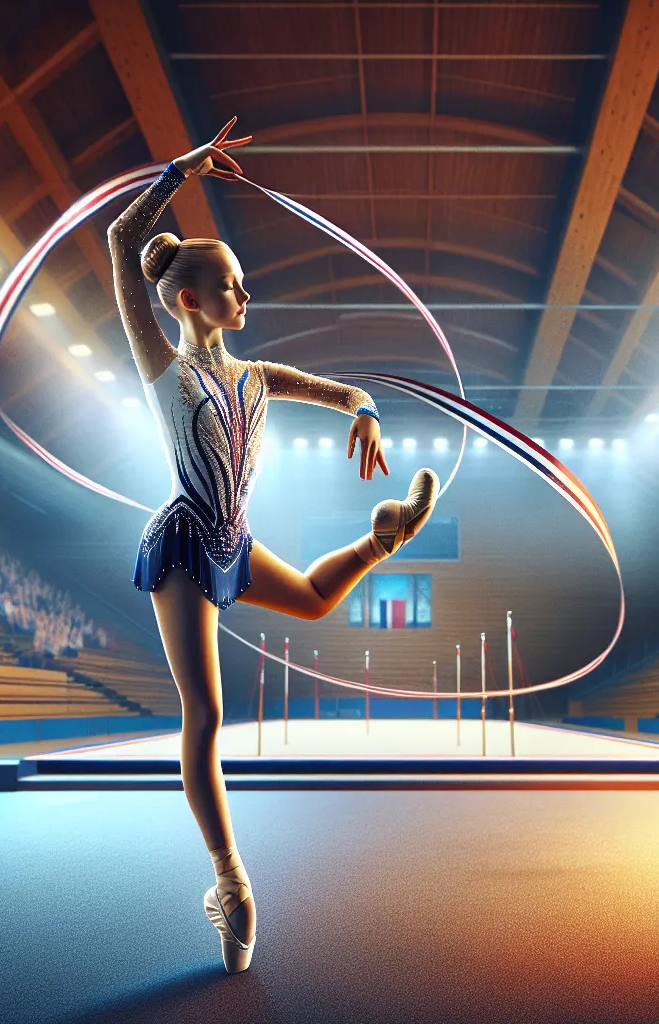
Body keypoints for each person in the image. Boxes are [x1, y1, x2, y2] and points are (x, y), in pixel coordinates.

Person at [105, 122, 442, 975]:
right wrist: (182, 170)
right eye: (231, 287)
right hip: (185, 541)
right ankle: (232, 881)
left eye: (244, 285)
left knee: (321, 598)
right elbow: (120, 241)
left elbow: (347, 385)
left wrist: (364, 410)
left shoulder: (256, 376)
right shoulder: (165, 370)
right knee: (208, 715)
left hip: (232, 538)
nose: (245, 297)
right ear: (185, 300)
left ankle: (381, 534)